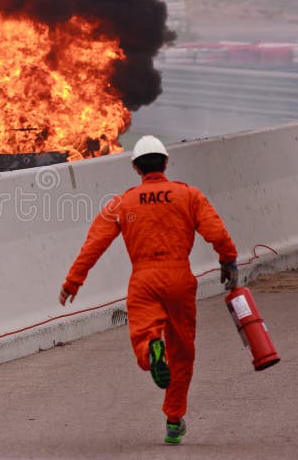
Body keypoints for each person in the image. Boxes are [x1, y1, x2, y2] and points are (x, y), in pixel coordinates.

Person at [58, 135, 238, 445]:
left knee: (144, 333)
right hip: (180, 279)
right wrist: (229, 262)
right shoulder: (188, 196)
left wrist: (73, 281)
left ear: (136, 168)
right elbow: (217, 232)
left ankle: (152, 348)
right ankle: (173, 420)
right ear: (165, 163)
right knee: (183, 352)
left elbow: (94, 244)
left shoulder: (124, 203)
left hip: (144, 280)